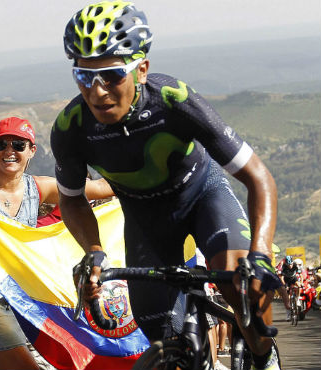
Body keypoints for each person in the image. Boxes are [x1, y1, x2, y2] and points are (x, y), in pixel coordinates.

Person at [50, 2, 282, 370]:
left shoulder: (174, 101)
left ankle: (264, 357)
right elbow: (72, 201)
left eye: (111, 75)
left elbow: (258, 177)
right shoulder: (71, 128)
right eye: (84, 76)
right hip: (146, 220)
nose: (97, 92)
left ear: (141, 70)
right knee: (161, 329)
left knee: (244, 292)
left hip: (203, 196)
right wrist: (93, 249)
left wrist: (262, 252)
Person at [0, 117, 114, 370]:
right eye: (1, 144)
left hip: (25, 299)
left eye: (18, 144)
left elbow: (99, 189)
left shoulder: (38, 187)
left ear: (32, 151)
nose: (9, 151)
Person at [279, 256, 300, 321]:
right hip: (286, 280)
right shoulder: (284, 267)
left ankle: (298, 298)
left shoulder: (295, 265)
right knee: (287, 299)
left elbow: (300, 274)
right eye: (288, 264)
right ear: (286, 264)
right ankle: (288, 315)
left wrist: (301, 282)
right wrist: (285, 285)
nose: (290, 266)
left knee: (299, 285)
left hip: (293, 278)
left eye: (291, 264)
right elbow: (282, 278)